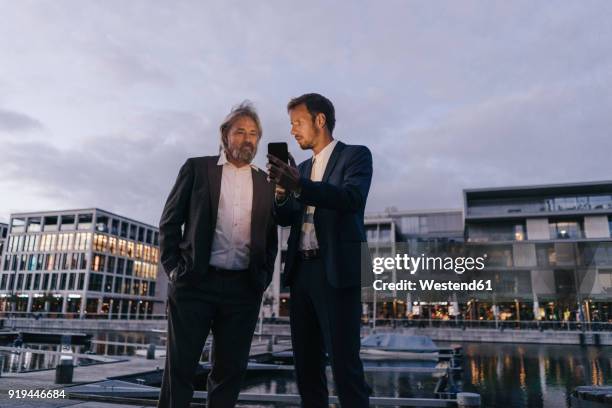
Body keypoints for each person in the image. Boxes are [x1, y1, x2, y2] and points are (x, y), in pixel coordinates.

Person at [158, 101, 277, 408]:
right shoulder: (197, 168)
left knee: (230, 372)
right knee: (180, 369)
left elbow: (270, 239)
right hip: (194, 284)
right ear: (225, 134)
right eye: (240, 131)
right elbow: (169, 222)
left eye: (253, 133)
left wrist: (261, 280)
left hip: (243, 290)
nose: (247, 138)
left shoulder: (266, 182)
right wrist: (173, 270)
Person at [268, 93, 373, 407]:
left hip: (340, 270)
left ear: (320, 120)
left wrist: (299, 186)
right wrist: (282, 192)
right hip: (302, 272)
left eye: (297, 122)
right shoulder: (298, 167)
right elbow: (284, 217)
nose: (293, 130)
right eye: (291, 124)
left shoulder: (356, 155)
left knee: (346, 368)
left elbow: (351, 199)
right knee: (307, 369)